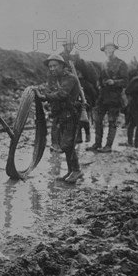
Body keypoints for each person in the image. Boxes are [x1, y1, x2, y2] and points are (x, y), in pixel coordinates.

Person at [36, 54, 83, 183]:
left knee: (67, 144)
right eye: (50, 66)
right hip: (60, 115)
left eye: (55, 65)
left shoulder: (70, 78)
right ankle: (70, 170)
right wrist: (48, 101)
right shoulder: (56, 79)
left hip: (70, 115)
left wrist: (45, 97)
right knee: (65, 145)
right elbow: (54, 94)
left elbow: (62, 94)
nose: (52, 68)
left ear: (62, 66)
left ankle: (77, 170)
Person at [88, 42, 128, 153]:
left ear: (114, 50)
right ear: (104, 51)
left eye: (110, 49)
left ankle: (108, 146)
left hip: (115, 97)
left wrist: (114, 82)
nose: (108, 51)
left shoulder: (121, 64)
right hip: (103, 96)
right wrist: (99, 84)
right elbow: (100, 78)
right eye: (106, 50)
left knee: (112, 121)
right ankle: (97, 143)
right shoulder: (104, 64)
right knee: (97, 120)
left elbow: (126, 81)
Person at [60, 40, 98, 143]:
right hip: (66, 86)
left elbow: (85, 70)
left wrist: (79, 60)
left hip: (78, 87)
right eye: (68, 45)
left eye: (72, 45)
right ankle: (72, 136)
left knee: (81, 110)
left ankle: (83, 134)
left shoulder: (75, 58)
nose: (70, 47)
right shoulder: (60, 57)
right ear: (64, 46)